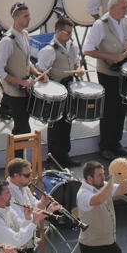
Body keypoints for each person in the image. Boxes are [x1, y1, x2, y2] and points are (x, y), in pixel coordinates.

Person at [84, 0, 127, 161]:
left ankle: (116, 142)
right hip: (108, 71)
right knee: (108, 109)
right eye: (123, 7)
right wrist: (110, 56)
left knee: (122, 107)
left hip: (124, 70)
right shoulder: (101, 25)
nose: (126, 10)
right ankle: (105, 145)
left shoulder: (126, 20)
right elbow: (88, 49)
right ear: (112, 7)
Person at [0, 2, 49, 135]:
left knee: (21, 126)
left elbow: (26, 62)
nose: (29, 19)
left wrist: (38, 73)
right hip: (14, 91)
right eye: (26, 16)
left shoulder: (24, 34)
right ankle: (17, 155)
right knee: (23, 128)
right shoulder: (7, 41)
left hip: (25, 89)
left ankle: (17, 155)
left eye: (29, 15)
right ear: (16, 18)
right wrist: (22, 82)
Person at [35, 15, 84, 168]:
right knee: (55, 126)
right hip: (56, 90)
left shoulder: (72, 46)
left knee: (67, 122)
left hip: (69, 86)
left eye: (71, 33)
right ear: (57, 31)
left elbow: (76, 62)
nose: (69, 36)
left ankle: (64, 155)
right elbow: (40, 69)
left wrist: (78, 69)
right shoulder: (49, 50)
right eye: (67, 33)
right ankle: (53, 158)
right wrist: (44, 80)